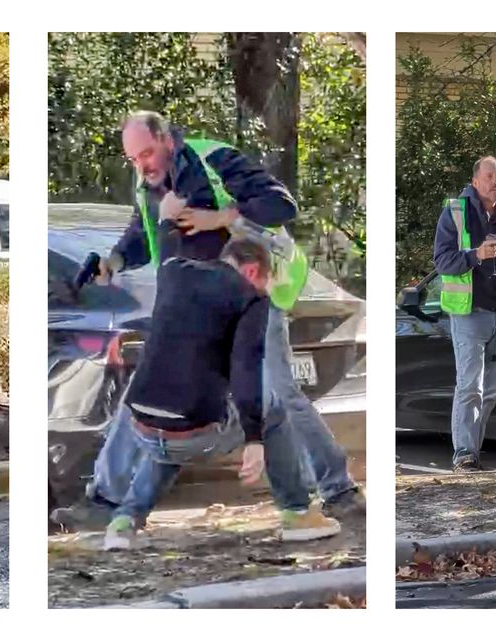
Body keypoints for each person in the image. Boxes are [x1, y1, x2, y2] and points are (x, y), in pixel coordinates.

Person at [52, 111, 364, 531]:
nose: (142, 164)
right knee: (146, 395)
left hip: (245, 296)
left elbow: (280, 205)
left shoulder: (214, 159)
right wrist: (115, 260)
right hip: (189, 307)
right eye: (133, 158)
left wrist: (219, 218)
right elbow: (144, 232)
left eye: (147, 152)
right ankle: (106, 503)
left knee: (278, 397)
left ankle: (337, 493)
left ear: (166, 138)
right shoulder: (149, 182)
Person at [102, 223, 340, 550]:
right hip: (194, 436)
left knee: (171, 417)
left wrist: (169, 217)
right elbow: (246, 371)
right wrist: (254, 438)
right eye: (266, 281)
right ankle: (298, 512)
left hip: (142, 428)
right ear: (253, 270)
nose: (267, 290)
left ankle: (123, 522)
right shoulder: (250, 299)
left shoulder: (173, 272)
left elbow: (167, 240)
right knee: (274, 407)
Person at [432, 156, 496, 472]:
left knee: (490, 392)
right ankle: (464, 455)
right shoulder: (456, 213)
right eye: (488, 177)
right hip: (469, 315)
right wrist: (475, 255)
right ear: (475, 183)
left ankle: (472, 454)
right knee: (469, 386)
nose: (495, 182)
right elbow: (442, 262)